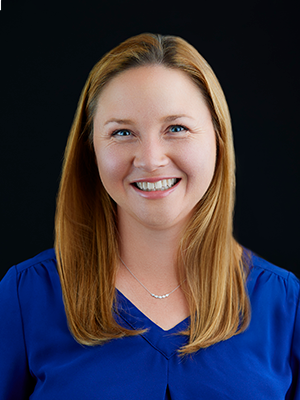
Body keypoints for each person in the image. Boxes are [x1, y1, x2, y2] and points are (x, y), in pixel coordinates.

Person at [0, 33, 299, 399]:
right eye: (122, 132)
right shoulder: (24, 296)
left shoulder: (286, 305)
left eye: (176, 128)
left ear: (218, 140)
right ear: (90, 150)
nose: (151, 159)